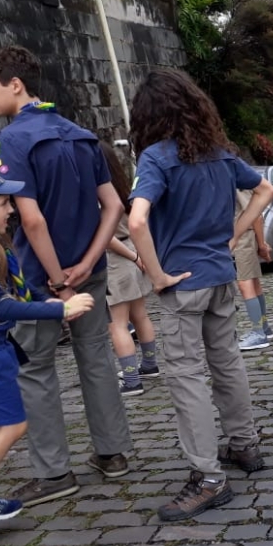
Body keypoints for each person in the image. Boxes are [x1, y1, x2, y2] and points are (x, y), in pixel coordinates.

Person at [0, 45, 132, 506]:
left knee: (36, 370)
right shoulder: (81, 135)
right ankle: (113, 453)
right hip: (93, 269)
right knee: (96, 357)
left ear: (15, 84)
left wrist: (59, 280)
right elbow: (114, 207)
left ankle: (53, 473)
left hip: (37, 278)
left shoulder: (10, 143)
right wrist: (86, 263)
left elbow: (32, 221)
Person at [127, 69, 273, 522]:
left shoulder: (156, 158)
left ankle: (208, 478)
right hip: (219, 276)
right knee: (226, 361)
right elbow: (265, 189)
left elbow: (136, 222)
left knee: (186, 375)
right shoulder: (219, 153)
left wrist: (155, 275)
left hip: (182, 282)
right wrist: (231, 234)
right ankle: (244, 444)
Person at [0, 170, 95, 544]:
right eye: (2, 203)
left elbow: (17, 291)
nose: (10, 210)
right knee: (12, 424)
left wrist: (45, 300)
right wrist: (59, 312)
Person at [101, 142, 161, 396]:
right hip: (133, 254)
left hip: (118, 260)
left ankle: (131, 379)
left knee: (117, 324)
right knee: (141, 315)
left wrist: (133, 257)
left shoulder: (99, 195)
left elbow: (106, 237)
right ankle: (149, 363)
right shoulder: (124, 188)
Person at [234, 187, 273, 351]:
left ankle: (259, 333)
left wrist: (261, 244)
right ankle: (264, 328)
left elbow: (256, 215)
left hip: (243, 238)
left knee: (245, 284)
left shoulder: (237, 182)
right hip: (243, 237)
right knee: (254, 283)